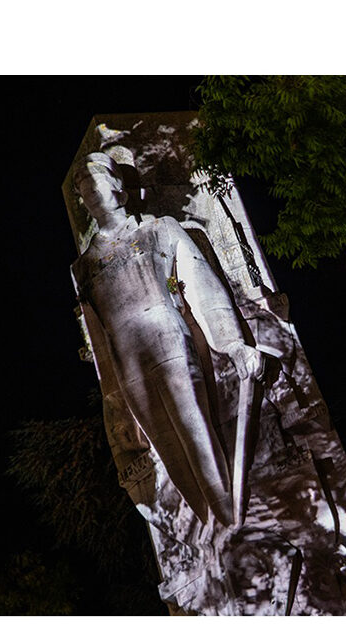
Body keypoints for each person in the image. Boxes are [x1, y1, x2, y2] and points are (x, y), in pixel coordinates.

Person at [71, 151, 264, 527]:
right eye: (83, 187)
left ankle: (231, 520)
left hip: (168, 337)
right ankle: (212, 527)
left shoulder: (160, 229)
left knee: (196, 430)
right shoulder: (83, 268)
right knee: (166, 446)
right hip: (127, 359)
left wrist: (233, 343)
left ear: (119, 189)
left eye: (97, 179)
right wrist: (112, 397)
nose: (91, 190)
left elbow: (202, 288)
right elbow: (98, 338)